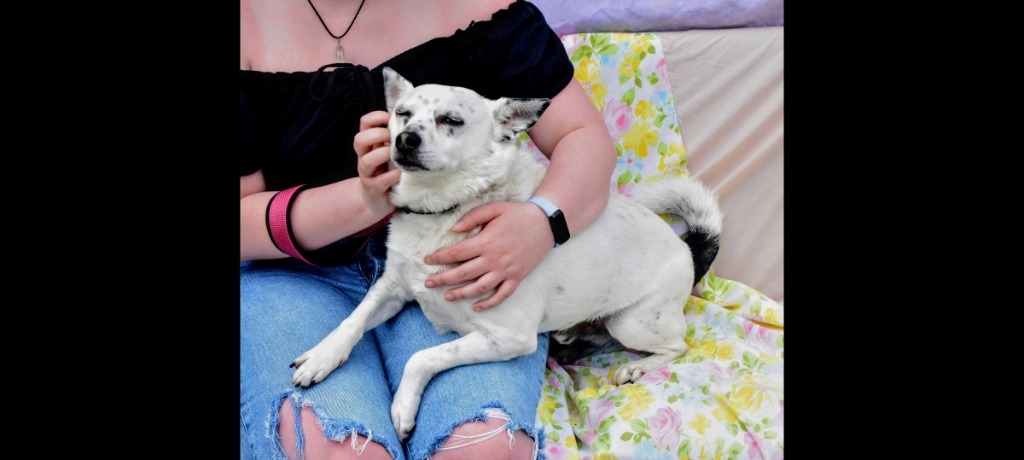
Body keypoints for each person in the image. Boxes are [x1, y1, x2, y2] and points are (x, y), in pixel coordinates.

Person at [239, 0, 616, 458]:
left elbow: (581, 135)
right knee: (339, 449)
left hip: (464, 265)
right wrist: (362, 200)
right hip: (292, 275)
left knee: (480, 449)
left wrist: (541, 221)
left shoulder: (487, 11)